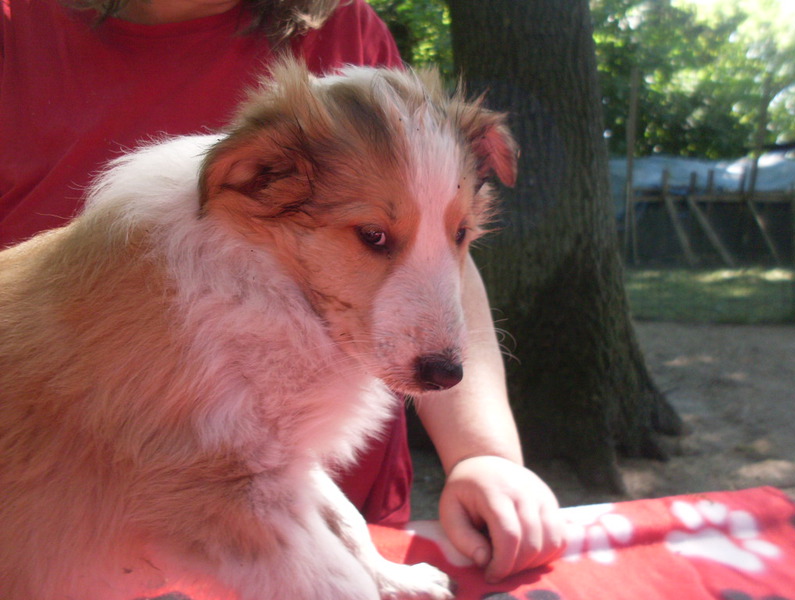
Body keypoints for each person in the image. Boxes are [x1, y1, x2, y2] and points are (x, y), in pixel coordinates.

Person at [0, 0, 565, 583]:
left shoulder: (344, 27)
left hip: (314, 519)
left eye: (463, 233)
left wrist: (480, 454)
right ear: (247, 177)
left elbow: (430, 252)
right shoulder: (17, 35)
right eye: (373, 236)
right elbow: (213, 478)